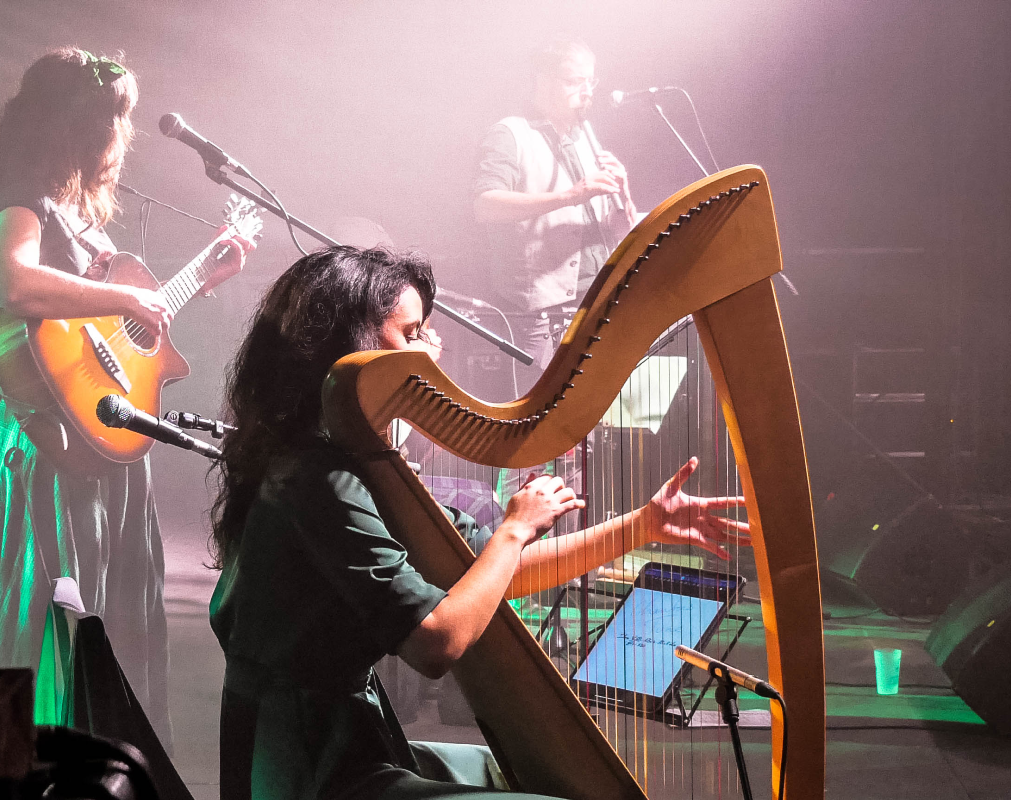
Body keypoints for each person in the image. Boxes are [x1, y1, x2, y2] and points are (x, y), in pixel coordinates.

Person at [209, 246, 746, 799]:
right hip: (307, 768)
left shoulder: (340, 462)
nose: (427, 350)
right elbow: (435, 644)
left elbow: (492, 571)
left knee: (519, 769)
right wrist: (515, 529)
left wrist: (642, 525)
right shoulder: (316, 477)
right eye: (411, 332)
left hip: (346, 737)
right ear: (349, 347)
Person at [0, 48, 250, 726]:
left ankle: (108, 743)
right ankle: (50, 747)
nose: (122, 138)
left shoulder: (62, 202)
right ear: (76, 126)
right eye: (113, 121)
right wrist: (117, 302)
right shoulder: (21, 193)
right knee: (53, 582)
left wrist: (200, 281)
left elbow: (116, 334)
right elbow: (12, 282)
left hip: (92, 411)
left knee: (109, 585)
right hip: (36, 411)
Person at [472, 38, 634, 355]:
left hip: (595, 300)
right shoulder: (511, 133)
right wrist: (571, 195)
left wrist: (624, 193)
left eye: (591, 80)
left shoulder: (587, 137)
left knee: (593, 402)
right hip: (541, 312)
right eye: (574, 81)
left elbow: (618, 230)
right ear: (542, 81)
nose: (586, 90)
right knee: (540, 403)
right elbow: (485, 206)